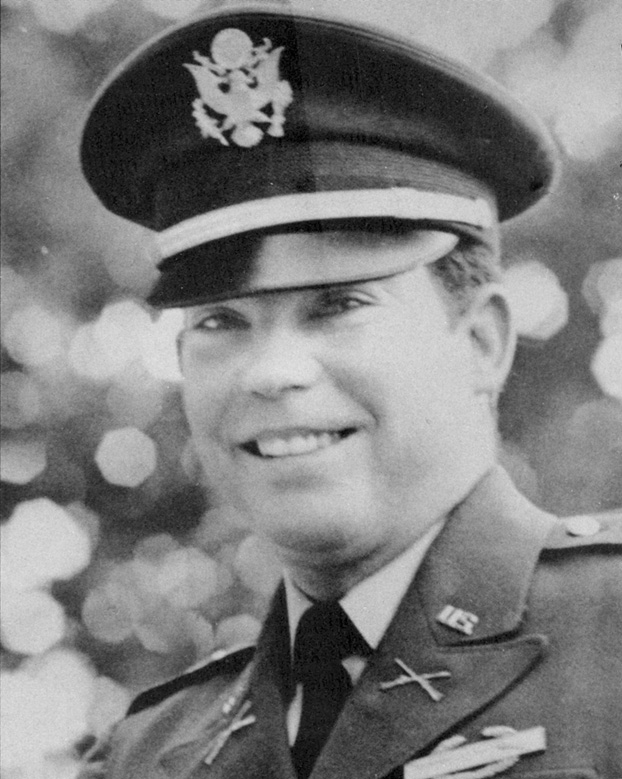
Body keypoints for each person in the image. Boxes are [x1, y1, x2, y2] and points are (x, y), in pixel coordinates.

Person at [78, 5, 621, 778]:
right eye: (221, 320)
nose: (271, 371)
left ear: (481, 341)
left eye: (336, 304)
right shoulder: (146, 754)